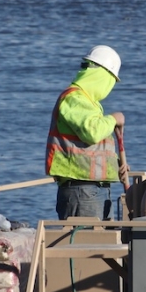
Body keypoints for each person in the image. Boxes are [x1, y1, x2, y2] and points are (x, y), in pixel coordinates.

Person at [45, 45, 126, 220]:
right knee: (87, 237)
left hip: (95, 190)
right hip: (81, 191)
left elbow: (91, 149)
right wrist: (113, 119)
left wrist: (116, 165)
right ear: (103, 76)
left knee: (104, 237)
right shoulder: (74, 98)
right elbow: (92, 132)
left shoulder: (90, 104)